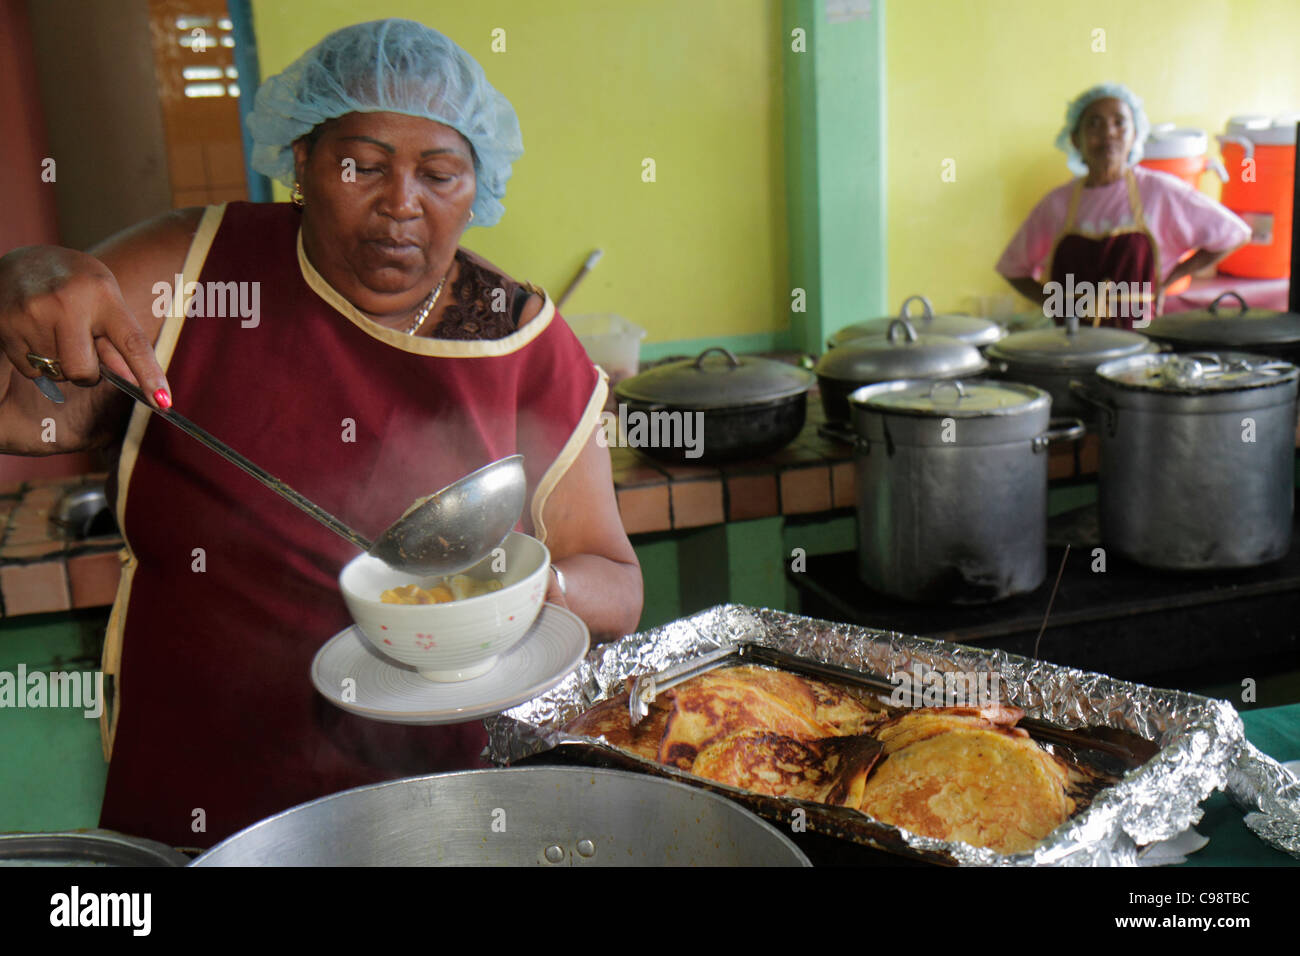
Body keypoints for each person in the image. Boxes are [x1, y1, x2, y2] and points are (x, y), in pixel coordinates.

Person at [0, 19, 642, 848]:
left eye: (439, 172)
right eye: (363, 166)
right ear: (301, 163)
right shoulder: (197, 268)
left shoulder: (523, 341)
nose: (401, 203)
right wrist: (15, 284)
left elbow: (616, 587)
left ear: (478, 185)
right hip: (203, 799)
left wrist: (525, 592)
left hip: (445, 812)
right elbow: (25, 407)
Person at [996, 83, 1249, 329]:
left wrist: (1167, 281)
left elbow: (1234, 233)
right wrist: (1054, 304)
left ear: (1135, 135)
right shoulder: (1057, 204)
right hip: (1071, 348)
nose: (1108, 133)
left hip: (1138, 347)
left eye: (1120, 123)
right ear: (1075, 140)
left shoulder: (1160, 193)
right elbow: (1012, 267)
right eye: (1094, 124)